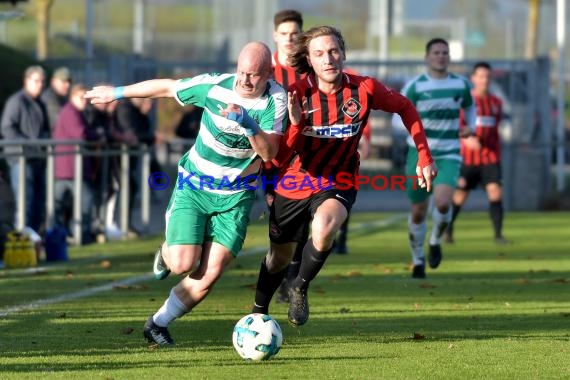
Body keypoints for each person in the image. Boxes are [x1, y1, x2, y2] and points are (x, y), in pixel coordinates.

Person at [84, 41, 287, 346]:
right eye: (241, 72)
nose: (245, 80)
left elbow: (269, 152)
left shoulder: (276, 99)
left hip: (235, 197)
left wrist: (247, 123)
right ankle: (166, 254)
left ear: (268, 74)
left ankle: (158, 323)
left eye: (254, 75)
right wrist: (116, 92)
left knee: (211, 272)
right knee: (182, 263)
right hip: (195, 186)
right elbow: (166, 87)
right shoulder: (215, 87)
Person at [251, 26, 437, 327]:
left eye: (334, 51)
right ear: (309, 60)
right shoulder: (295, 95)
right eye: (319, 54)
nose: (328, 59)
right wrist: (296, 126)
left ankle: (299, 286)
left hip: (339, 179)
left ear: (343, 53)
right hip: (295, 180)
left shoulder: (364, 89)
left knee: (324, 228)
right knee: (278, 259)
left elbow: (405, 107)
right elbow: (279, 156)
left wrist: (424, 156)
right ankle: (258, 312)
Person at [392, 37, 476, 279]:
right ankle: (417, 258)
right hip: (418, 156)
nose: (441, 56)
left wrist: (470, 126)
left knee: (442, 202)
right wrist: (412, 132)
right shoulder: (415, 86)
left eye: (445, 52)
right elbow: (397, 116)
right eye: (436, 52)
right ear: (427, 57)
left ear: (449, 57)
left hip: (449, 151)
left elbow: (471, 108)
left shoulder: (461, 84)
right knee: (418, 210)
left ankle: (436, 240)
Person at [445, 62, 511, 245]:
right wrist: (466, 140)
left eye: (488, 76)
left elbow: (495, 128)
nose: (484, 80)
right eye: (481, 76)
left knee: (495, 192)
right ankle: (448, 232)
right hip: (468, 159)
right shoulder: (465, 103)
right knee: (460, 195)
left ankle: (498, 235)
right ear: (473, 78)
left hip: (490, 157)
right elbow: (455, 127)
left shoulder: (496, 103)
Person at [1, 65, 49, 233]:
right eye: (36, 81)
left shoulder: (39, 103)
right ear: (26, 81)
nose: (40, 85)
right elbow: (7, 128)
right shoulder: (17, 101)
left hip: (37, 159)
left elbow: (44, 129)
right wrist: (29, 144)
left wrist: (42, 142)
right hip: (20, 160)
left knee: (38, 203)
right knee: (24, 203)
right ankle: (21, 241)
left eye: (42, 81)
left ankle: (34, 241)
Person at [53, 84, 98, 243]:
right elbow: (81, 134)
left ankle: (66, 235)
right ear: (72, 97)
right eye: (81, 97)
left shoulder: (77, 113)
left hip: (70, 168)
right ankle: (79, 235)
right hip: (70, 169)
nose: (84, 101)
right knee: (84, 200)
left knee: (62, 205)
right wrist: (97, 136)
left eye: (85, 98)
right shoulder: (70, 112)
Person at [41, 67, 72, 132]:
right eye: (64, 81)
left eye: (69, 81)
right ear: (53, 82)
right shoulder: (49, 98)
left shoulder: (64, 97)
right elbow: (60, 122)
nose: (68, 85)